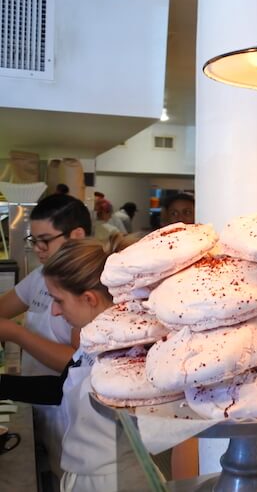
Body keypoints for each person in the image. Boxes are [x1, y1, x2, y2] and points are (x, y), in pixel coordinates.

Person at [0, 239, 139, 491]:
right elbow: (62, 386)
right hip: (83, 471)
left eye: (59, 300)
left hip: (113, 480)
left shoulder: (125, 350)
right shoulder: (91, 337)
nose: (54, 311)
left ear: (88, 298)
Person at [0, 193, 91, 478]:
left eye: (45, 240)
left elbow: (77, 362)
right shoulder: (41, 275)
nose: (38, 249)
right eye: (33, 240)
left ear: (76, 235)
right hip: (39, 399)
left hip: (68, 413)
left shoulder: (89, 285)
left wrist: (16, 333)